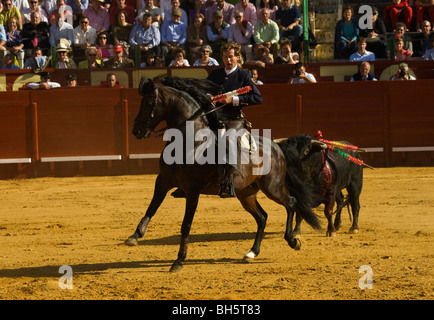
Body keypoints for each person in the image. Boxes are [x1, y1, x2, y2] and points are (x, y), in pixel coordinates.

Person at [206, 41, 263, 197]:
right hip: (215, 117)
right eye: (225, 57)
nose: (228, 60)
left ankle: (228, 181)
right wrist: (208, 96)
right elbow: (204, 89)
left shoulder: (244, 75)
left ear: (238, 58)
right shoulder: (216, 74)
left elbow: (257, 98)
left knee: (228, 139)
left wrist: (233, 100)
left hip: (234, 118)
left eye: (231, 57)